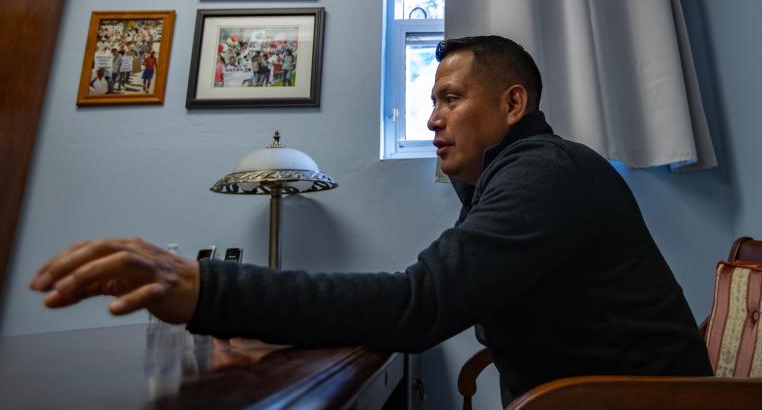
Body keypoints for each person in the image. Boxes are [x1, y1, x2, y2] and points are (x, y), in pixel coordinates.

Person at [31, 35, 711, 407]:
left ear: (512, 102)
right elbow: (420, 293)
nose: (431, 118)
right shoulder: (518, 179)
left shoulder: (545, 173)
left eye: (449, 97)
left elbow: (417, 304)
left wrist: (206, 288)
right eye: (430, 100)